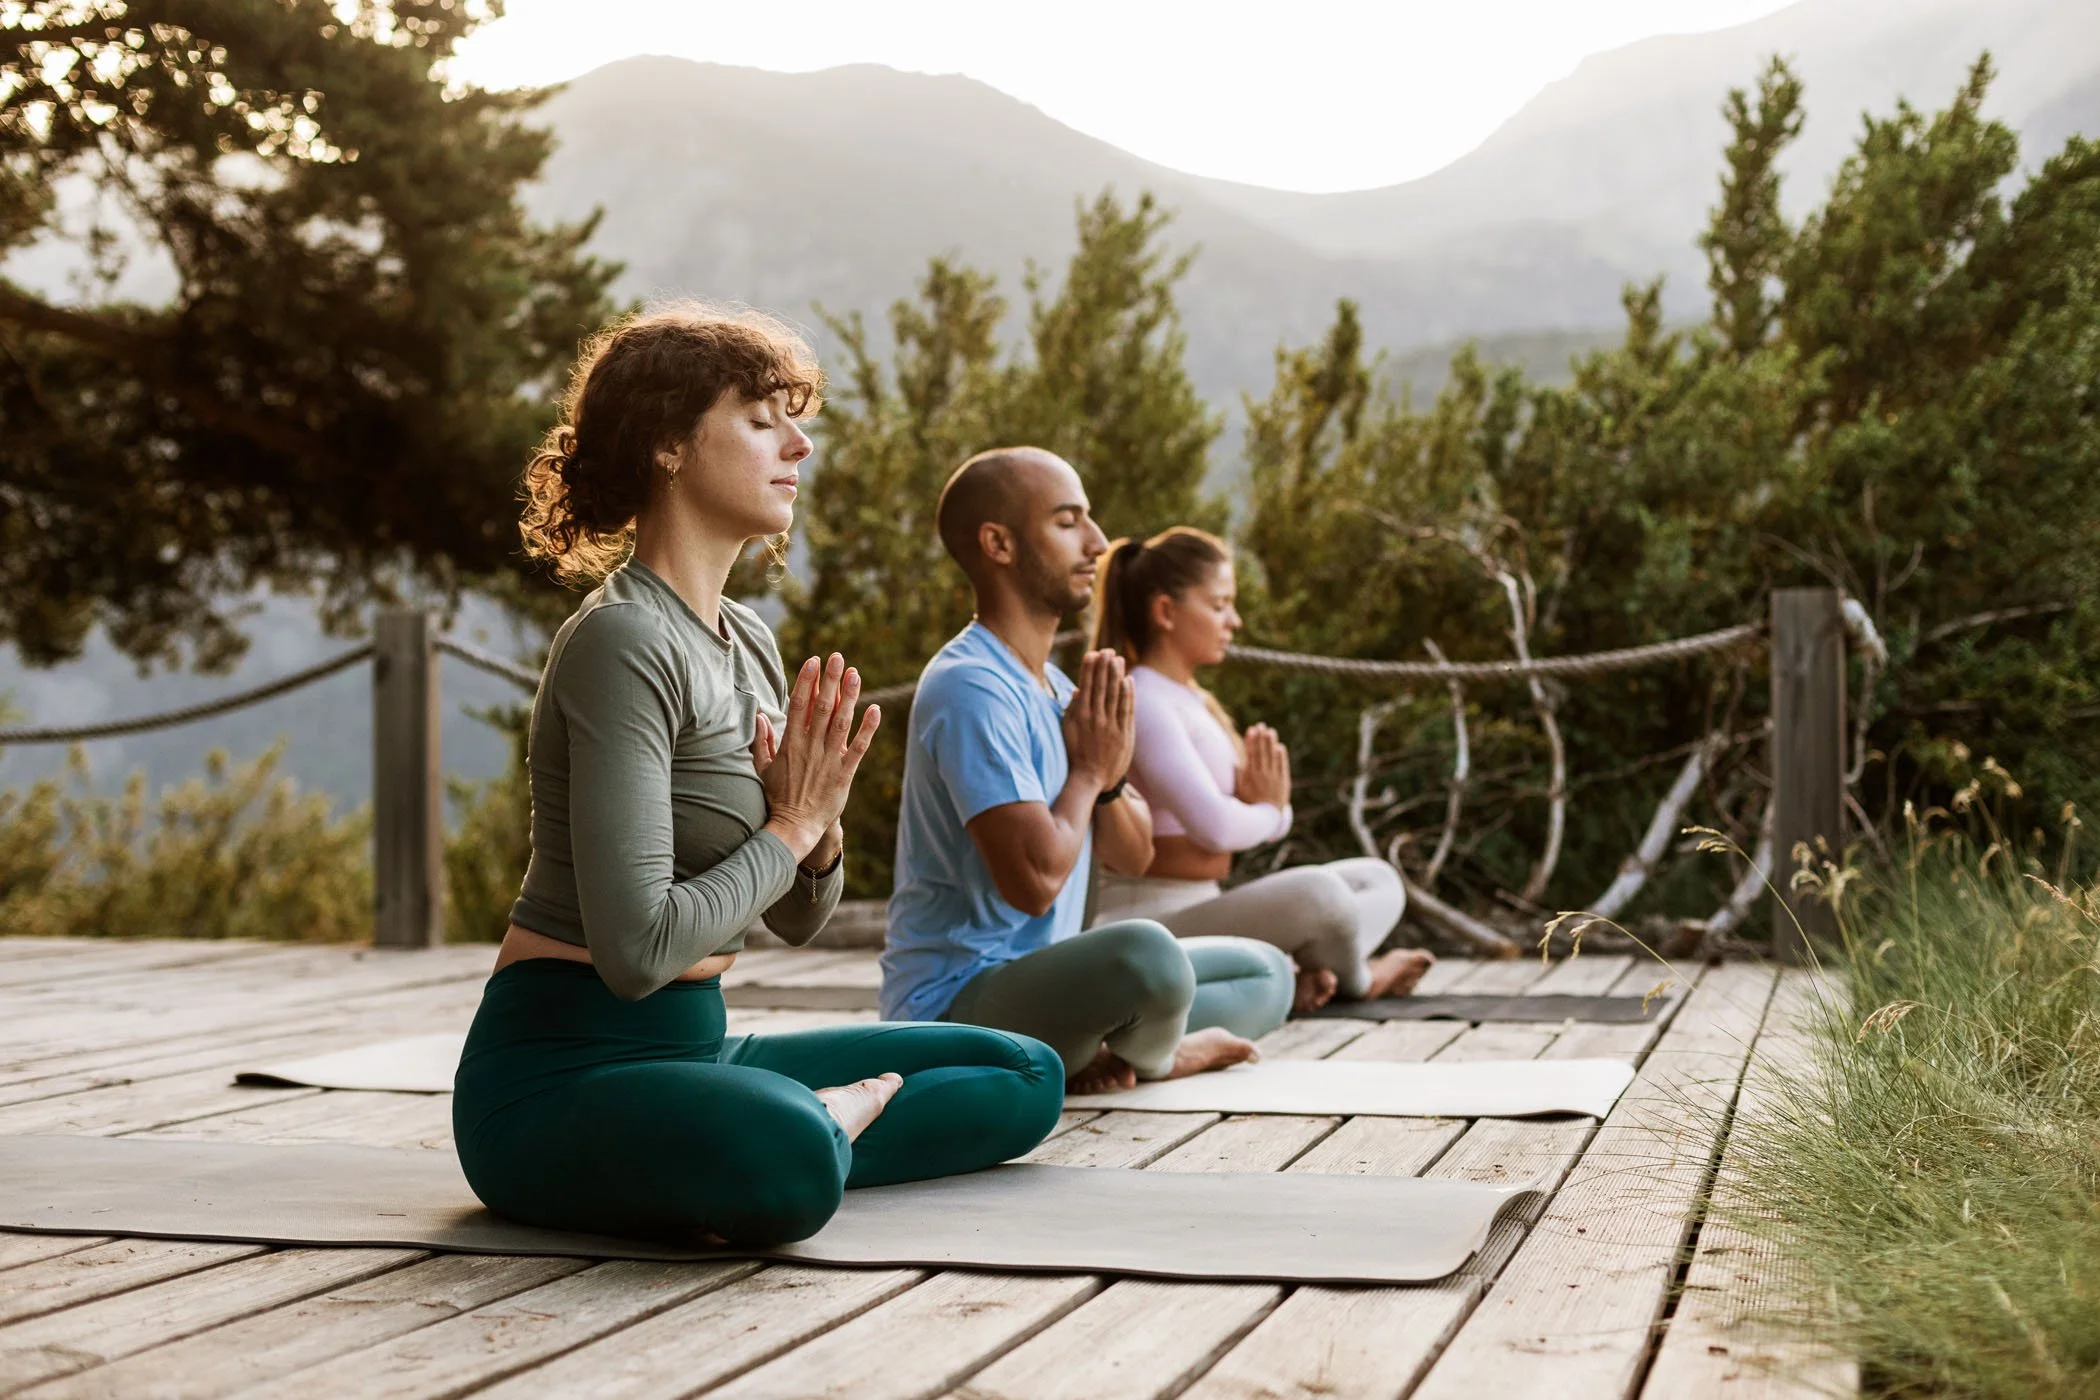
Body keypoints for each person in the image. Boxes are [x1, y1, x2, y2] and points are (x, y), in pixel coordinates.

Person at [451, 307, 1065, 1249]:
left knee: (1028, 1074)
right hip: (554, 1080)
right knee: (790, 1168)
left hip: (697, 1049)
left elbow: (795, 919)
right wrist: (791, 822)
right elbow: (637, 953)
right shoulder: (622, 642)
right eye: (761, 419)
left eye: (795, 417)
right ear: (667, 442)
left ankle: (815, 1120)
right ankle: (810, 1126)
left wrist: (817, 837)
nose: (800, 444)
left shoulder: (748, 642)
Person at [880, 446, 1296, 1095]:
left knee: (1267, 971)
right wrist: (1085, 775)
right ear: (1000, 544)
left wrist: (1107, 779)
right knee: (1150, 956)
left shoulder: (1058, 686)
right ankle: (1157, 1056)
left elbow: (1134, 854)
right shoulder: (971, 687)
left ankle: (1101, 1046)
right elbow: (1034, 884)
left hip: (1052, 983)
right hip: (954, 1011)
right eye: (1069, 521)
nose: (1098, 543)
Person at [1089, 526, 1435, 1013]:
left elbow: (1227, 825)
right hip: (1151, 919)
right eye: (1218, 605)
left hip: (1206, 901)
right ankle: (1358, 978)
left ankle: (1300, 975)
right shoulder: (1145, 698)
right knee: (1321, 895)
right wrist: (1273, 813)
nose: (1235, 620)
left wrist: (1262, 809)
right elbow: (1214, 828)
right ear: (1166, 611)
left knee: (1377, 880)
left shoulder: (1189, 699)